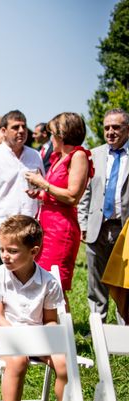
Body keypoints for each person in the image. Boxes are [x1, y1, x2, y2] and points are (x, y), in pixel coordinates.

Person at [0, 215, 72, 401]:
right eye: (1, 249)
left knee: (64, 363)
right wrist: (20, 339)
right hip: (0, 336)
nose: (5, 255)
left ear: (34, 252)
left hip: (35, 337)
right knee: (18, 359)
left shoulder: (48, 282)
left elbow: (50, 319)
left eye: (12, 250)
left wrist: (53, 336)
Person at [24, 113, 94, 302]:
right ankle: (49, 326)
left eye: (52, 134)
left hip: (61, 229)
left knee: (55, 285)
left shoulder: (78, 155)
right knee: (44, 282)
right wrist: (40, 194)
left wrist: (43, 184)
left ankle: (64, 329)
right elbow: (58, 194)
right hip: (47, 226)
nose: (50, 138)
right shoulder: (58, 158)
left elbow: (72, 196)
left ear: (62, 134)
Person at [0, 110, 44, 269]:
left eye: (24, 127)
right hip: (0, 227)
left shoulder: (35, 155)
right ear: (3, 131)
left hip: (29, 227)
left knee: (28, 273)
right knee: (1, 273)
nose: (21, 131)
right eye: (15, 127)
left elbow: (42, 187)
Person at [78, 108, 129, 323]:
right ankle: (97, 329)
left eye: (116, 127)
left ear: (127, 129)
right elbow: (86, 191)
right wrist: (83, 222)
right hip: (96, 226)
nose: (110, 132)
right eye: (107, 127)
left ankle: (123, 330)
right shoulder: (94, 154)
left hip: (125, 228)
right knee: (95, 282)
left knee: (123, 283)